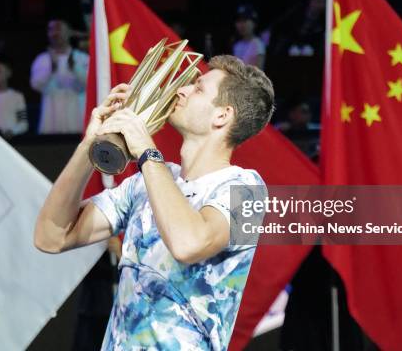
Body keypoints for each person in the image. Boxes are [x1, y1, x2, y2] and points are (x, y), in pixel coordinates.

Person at [34, 55, 274, 350]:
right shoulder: (144, 184)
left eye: (198, 88)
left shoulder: (248, 190)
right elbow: (51, 237)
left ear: (222, 116)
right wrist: (90, 146)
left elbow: (189, 244)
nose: (181, 90)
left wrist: (147, 150)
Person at [30, 19, 89, 134]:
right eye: (51, 29)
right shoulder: (42, 59)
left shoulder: (82, 58)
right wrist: (51, 70)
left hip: (76, 118)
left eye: (59, 29)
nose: (55, 33)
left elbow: (89, 84)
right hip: (51, 119)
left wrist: (75, 68)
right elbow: (35, 85)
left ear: (69, 33)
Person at [233, 4, 266, 70]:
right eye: (239, 21)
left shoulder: (258, 44)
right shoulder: (237, 45)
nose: (241, 25)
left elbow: (259, 72)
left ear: (254, 23)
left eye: (245, 20)